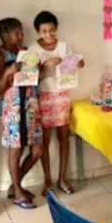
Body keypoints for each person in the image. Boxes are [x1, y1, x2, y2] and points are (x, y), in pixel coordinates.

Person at [28, 11, 84, 196]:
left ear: (56, 29)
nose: (49, 34)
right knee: (45, 140)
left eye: (52, 30)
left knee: (63, 138)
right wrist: (46, 65)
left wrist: (78, 63)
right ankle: (47, 181)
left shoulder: (64, 46)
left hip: (62, 95)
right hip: (43, 96)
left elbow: (72, 67)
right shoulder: (33, 49)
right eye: (44, 31)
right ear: (38, 32)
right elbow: (29, 77)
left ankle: (62, 179)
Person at [0, 18, 43, 208]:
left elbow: (36, 78)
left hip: (31, 104)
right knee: (16, 149)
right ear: (5, 35)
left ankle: (15, 187)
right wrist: (8, 72)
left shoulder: (27, 53)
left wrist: (38, 69)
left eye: (22, 33)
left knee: (37, 150)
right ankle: (18, 192)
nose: (21, 36)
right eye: (17, 33)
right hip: (13, 107)